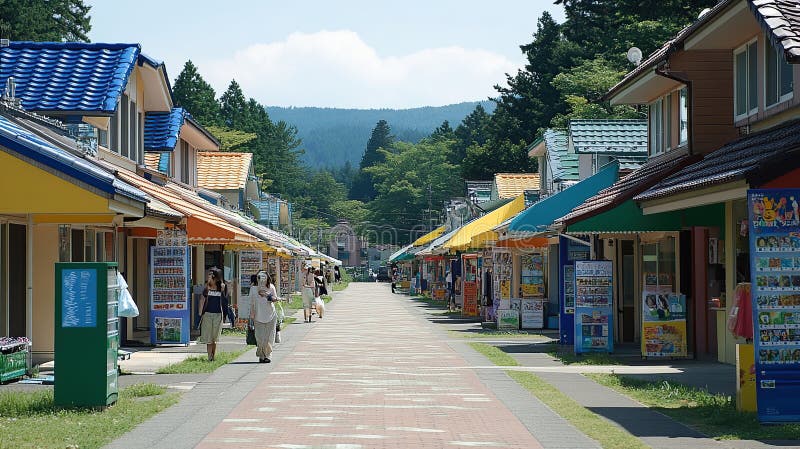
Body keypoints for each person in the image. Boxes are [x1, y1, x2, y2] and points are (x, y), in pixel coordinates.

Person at [249, 270, 278, 363]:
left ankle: (267, 355)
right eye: (260, 277)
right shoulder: (253, 288)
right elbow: (251, 303)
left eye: (264, 277)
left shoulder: (271, 287)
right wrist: (251, 315)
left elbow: (275, 299)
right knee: (260, 337)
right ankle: (261, 355)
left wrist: (266, 295)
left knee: (269, 337)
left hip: (271, 315)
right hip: (258, 316)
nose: (262, 279)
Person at [198, 269, 227, 361]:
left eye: (211, 275)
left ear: (216, 277)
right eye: (208, 275)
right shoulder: (207, 288)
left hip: (218, 315)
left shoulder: (221, 287)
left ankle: (213, 356)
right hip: (207, 314)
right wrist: (200, 312)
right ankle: (209, 356)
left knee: (214, 338)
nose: (209, 277)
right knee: (208, 338)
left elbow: (225, 296)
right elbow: (202, 299)